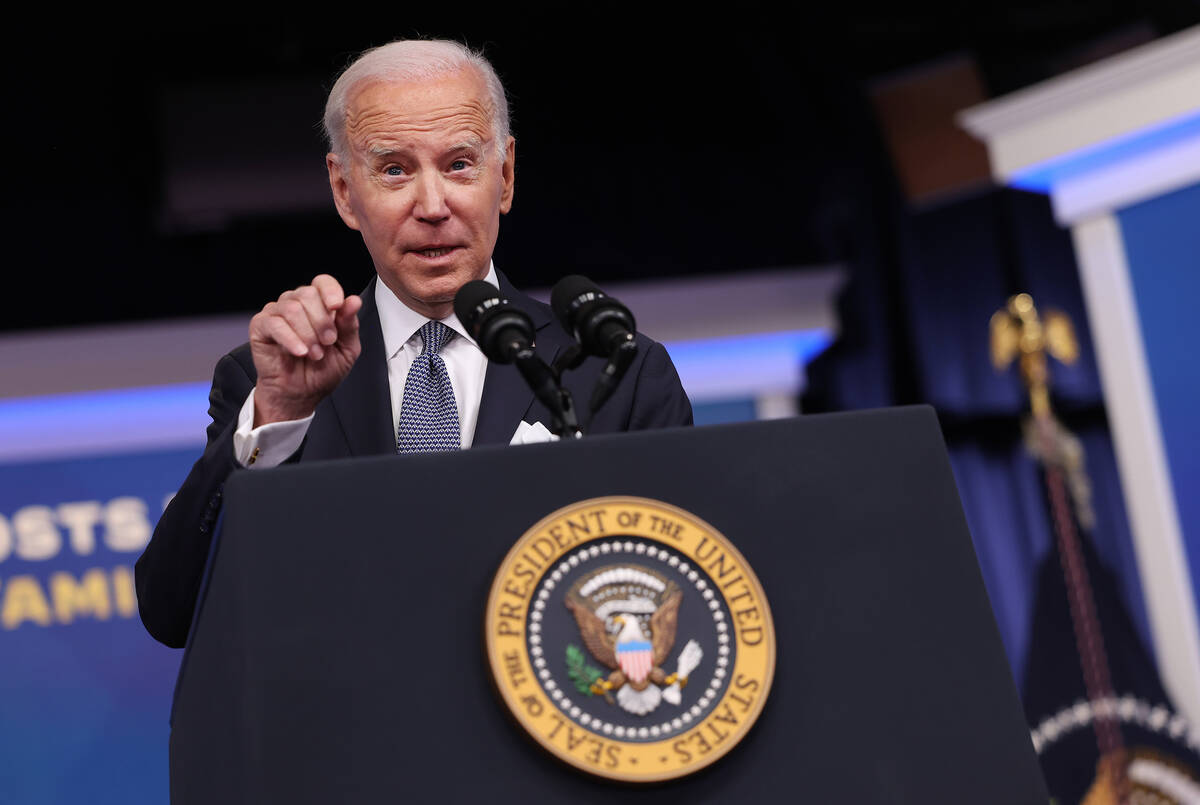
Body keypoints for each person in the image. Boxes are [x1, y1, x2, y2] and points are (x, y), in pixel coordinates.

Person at [135, 39, 693, 648]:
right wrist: (277, 419)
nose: (432, 206)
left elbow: (683, 591)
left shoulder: (620, 371)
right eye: (395, 170)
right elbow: (172, 610)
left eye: (459, 164)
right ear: (344, 190)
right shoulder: (269, 386)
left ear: (503, 176)